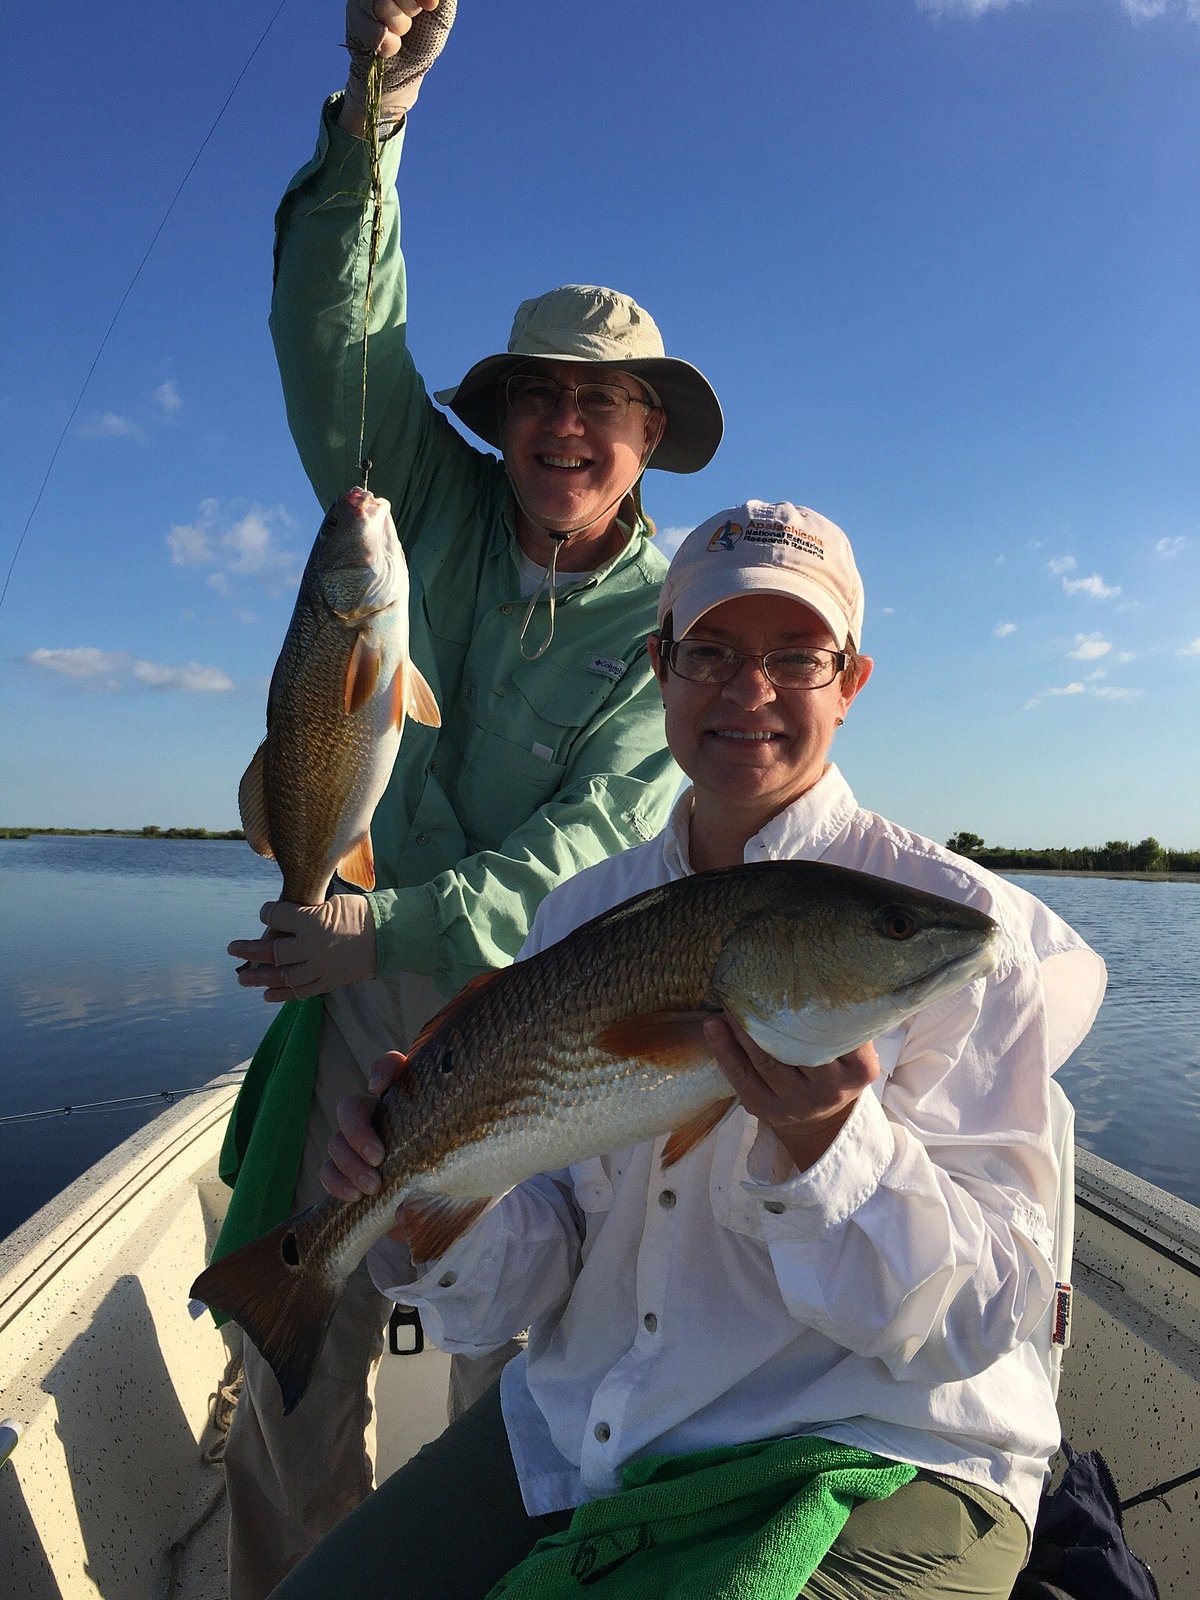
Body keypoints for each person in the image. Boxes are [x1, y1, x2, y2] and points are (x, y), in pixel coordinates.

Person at [276, 498, 1108, 1600]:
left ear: (850, 683)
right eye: (709, 650)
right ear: (661, 668)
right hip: (592, 1423)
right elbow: (541, 1262)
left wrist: (830, 1145)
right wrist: (416, 1208)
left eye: (796, 657)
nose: (747, 690)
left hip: (886, 1442)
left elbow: (985, 1316)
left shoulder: (958, 930)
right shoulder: (580, 914)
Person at [211, 3, 724, 1595]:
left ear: (648, 439)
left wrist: (390, 931)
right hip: (353, 962)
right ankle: (291, 1573)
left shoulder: (669, 633)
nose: (571, 425)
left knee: (545, 1327)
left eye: (608, 404)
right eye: (542, 397)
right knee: (310, 1327)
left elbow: (588, 844)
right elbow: (332, 332)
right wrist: (381, 101)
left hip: (543, 994)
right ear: (499, 417)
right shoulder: (414, 496)